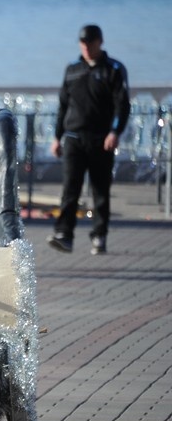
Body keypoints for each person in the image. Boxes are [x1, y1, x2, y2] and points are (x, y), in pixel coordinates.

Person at [47, 24, 130, 255]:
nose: (86, 47)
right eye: (82, 43)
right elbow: (63, 106)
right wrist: (57, 137)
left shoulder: (113, 69)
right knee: (69, 189)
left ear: (99, 42)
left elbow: (122, 105)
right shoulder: (72, 70)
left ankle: (99, 234)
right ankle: (64, 234)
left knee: (100, 190)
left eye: (90, 43)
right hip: (73, 138)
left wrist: (115, 132)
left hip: (101, 139)